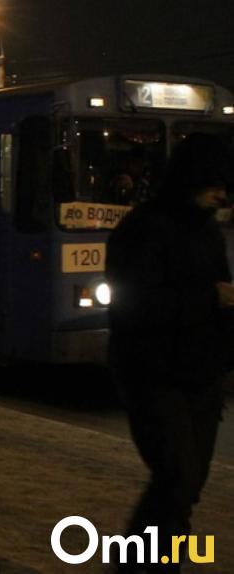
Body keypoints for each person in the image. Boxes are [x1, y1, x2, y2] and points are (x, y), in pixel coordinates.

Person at [105, 133, 233, 572]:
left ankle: (144, 563)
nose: (223, 194)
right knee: (177, 478)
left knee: (188, 483)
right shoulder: (141, 229)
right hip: (152, 372)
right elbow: (132, 306)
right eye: (216, 183)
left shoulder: (209, 230)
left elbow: (221, 296)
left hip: (202, 373)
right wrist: (211, 298)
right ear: (192, 178)